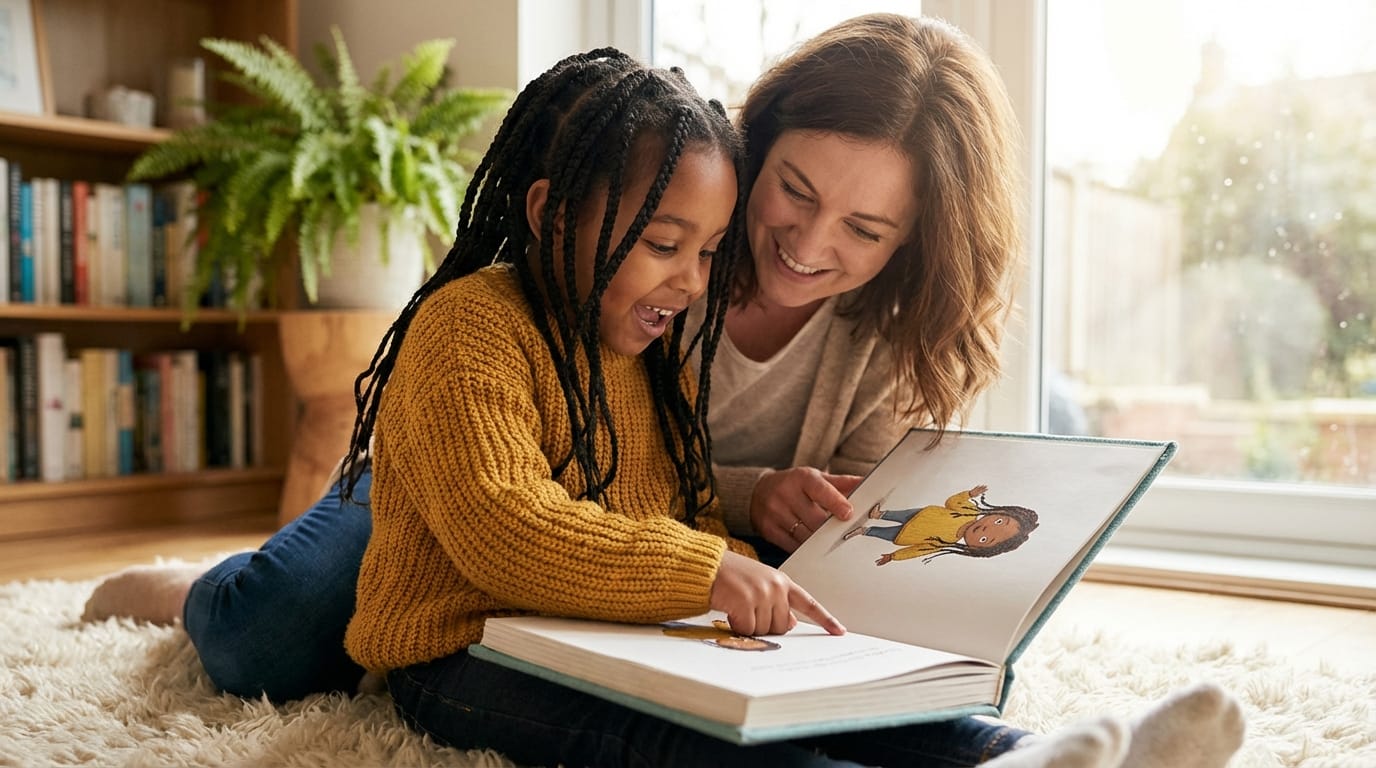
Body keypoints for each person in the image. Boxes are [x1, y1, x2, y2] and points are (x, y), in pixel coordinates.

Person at [84, 17, 1245, 768]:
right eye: (790, 191)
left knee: (800, 697)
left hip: (636, 571)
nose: (798, 244)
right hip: (467, 504)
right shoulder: (610, 252)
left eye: (865, 228)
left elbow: (706, 519)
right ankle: (195, 586)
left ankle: (1021, 754)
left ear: (912, 241)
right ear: (754, 149)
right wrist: (718, 538)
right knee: (279, 636)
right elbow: (506, 515)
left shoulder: (855, 330)